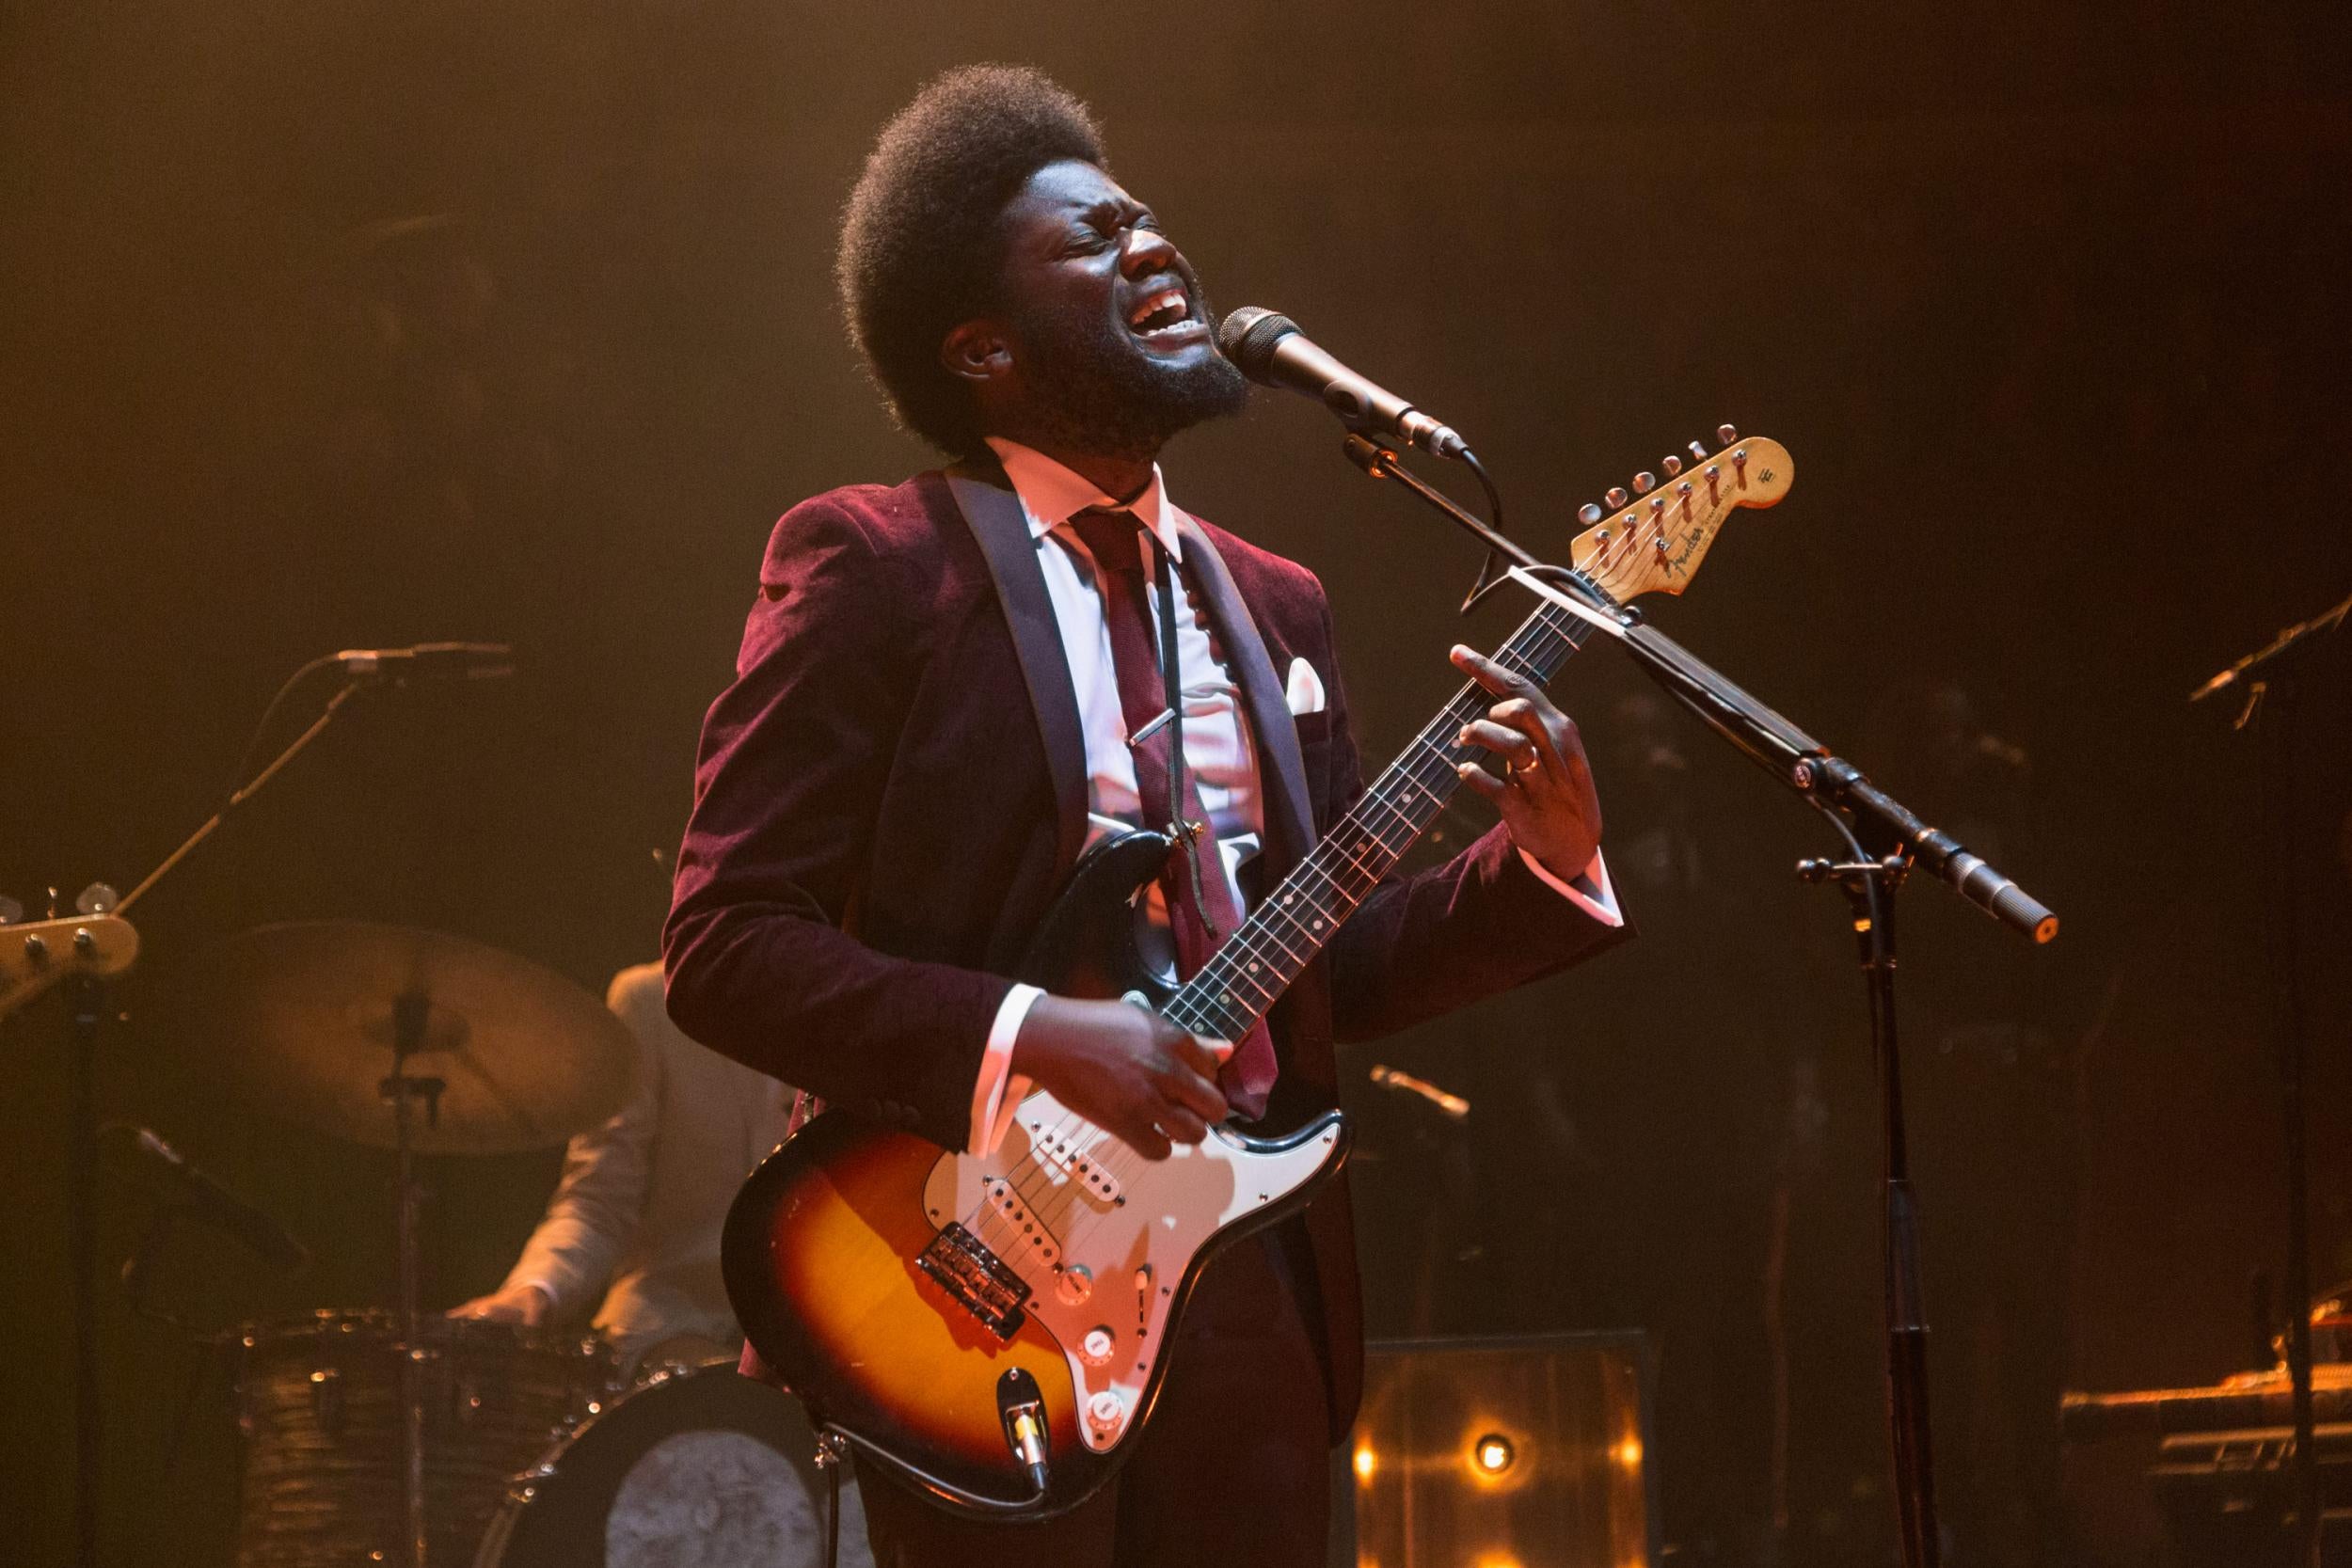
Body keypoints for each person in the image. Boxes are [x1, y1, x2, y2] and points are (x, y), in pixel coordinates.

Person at [662, 66, 1627, 1568]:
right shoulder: (876, 561)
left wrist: (1540, 864)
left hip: (1245, 1261)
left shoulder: (1275, 600)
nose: (1151, 244)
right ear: (981, 348)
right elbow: (725, 943)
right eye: (1091, 238)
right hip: (962, 1274)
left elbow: (1335, 967)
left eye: (1146, 217)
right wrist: (1040, 1034)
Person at [451, 960, 873, 1562]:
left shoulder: (856, 997)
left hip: (819, 1360)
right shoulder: (649, 1001)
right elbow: (598, 1200)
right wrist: (532, 1292)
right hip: (666, 1339)